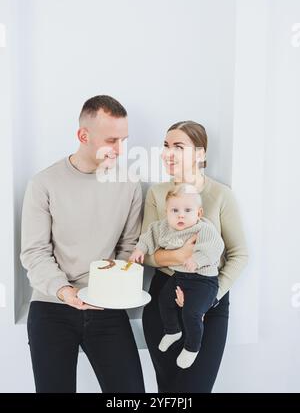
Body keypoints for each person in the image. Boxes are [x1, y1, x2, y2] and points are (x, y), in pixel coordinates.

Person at [20, 95, 145, 393]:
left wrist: (109, 288)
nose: (119, 150)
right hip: (52, 306)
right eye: (111, 140)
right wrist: (65, 291)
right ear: (83, 136)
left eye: (123, 140)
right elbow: (34, 252)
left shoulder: (128, 183)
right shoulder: (44, 183)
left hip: (106, 305)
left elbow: (129, 246)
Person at [141, 120, 248, 393]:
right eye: (166, 146)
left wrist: (209, 300)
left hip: (208, 301)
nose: (168, 153)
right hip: (164, 297)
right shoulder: (157, 193)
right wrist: (180, 254)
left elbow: (239, 254)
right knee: (168, 389)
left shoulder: (220, 195)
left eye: (178, 146)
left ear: (200, 155)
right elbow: (150, 255)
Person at [130, 183, 224, 369]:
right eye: (175, 210)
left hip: (204, 280)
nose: (181, 215)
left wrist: (196, 260)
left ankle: (192, 347)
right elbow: (148, 236)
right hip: (181, 276)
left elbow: (215, 248)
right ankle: (173, 331)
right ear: (167, 212)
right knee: (164, 300)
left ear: (198, 213)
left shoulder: (203, 229)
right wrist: (140, 249)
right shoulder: (163, 227)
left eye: (187, 210)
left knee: (192, 312)